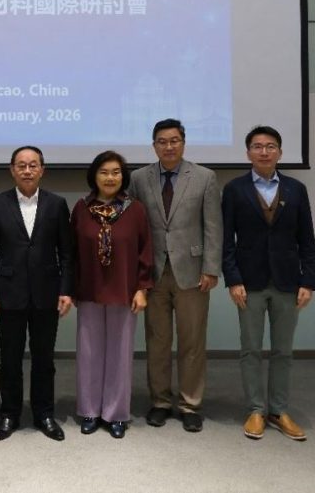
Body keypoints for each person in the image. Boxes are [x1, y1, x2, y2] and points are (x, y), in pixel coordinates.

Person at [222, 126, 315, 441]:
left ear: (280, 152)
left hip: (288, 281)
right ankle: (255, 409)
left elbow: (307, 239)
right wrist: (233, 279)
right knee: (250, 349)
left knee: (283, 351)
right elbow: (227, 241)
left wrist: (308, 281)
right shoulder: (234, 190)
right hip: (249, 283)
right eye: (257, 146)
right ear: (248, 152)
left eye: (270, 146)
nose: (264, 152)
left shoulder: (296, 189)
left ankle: (278, 410)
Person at [129, 119, 221, 432]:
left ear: (183, 142)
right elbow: (133, 226)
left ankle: (189, 404)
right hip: (152, 272)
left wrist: (211, 267)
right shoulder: (138, 178)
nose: (168, 146)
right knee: (157, 341)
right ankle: (160, 402)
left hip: (193, 273)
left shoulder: (205, 177)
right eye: (162, 141)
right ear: (153, 145)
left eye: (174, 141)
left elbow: (213, 226)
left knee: (192, 342)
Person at [0, 146, 75, 441]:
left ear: (42, 170)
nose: (27, 170)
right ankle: (9, 414)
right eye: (21, 165)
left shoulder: (57, 204)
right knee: (10, 359)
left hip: (47, 292)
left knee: (44, 359)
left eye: (33, 165)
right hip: (8, 293)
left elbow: (67, 253)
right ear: (12, 170)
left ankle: (44, 413)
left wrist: (66, 290)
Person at [71, 150, 153, 439]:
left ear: (123, 176)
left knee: (120, 353)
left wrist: (142, 289)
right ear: (94, 176)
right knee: (89, 352)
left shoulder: (135, 210)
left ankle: (116, 413)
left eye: (116, 172)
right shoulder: (81, 208)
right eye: (104, 172)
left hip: (125, 289)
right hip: (89, 289)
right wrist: (70, 288)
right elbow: (71, 252)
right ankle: (90, 410)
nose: (110, 177)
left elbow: (145, 251)